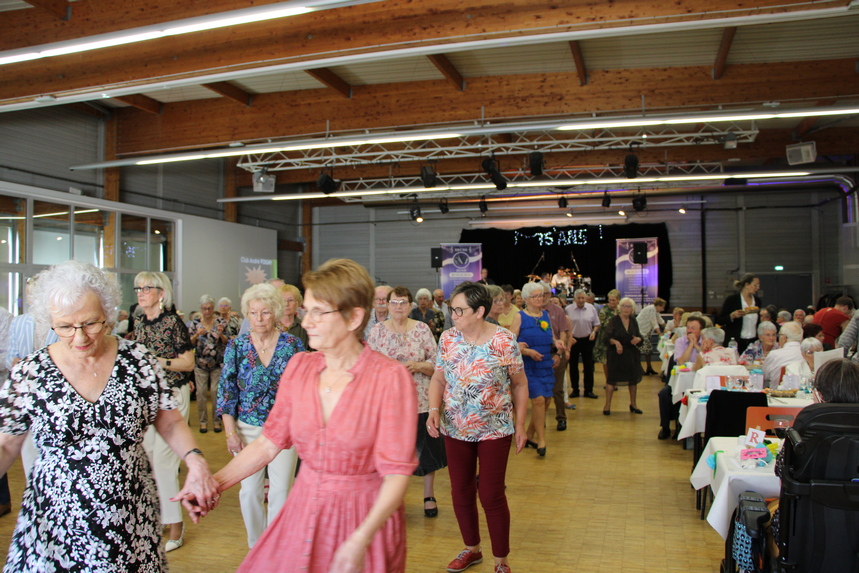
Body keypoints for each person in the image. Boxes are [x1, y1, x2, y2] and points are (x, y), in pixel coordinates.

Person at [200, 259, 418, 573]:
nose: (307, 321)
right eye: (307, 310)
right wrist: (215, 484)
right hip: (304, 510)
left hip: (364, 518)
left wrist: (361, 538)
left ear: (354, 317)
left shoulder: (388, 378)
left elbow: (396, 474)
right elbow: (268, 443)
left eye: (318, 312)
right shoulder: (301, 367)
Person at [0, 260, 217, 571]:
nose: (80, 338)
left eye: (91, 323)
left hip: (128, 519)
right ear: (50, 321)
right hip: (55, 523)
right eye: (65, 327)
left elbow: (169, 420)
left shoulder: (137, 361)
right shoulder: (31, 372)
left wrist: (195, 461)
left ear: (108, 313)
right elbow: (6, 444)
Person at [427, 281, 528, 573]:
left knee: (491, 494)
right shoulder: (448, 338)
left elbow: (520, 384)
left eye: (460, 310)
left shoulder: (504, 341)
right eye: (452, 309)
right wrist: (434, 410)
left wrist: (521, 425)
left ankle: (501, 561)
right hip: (455, 428)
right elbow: (438, 378)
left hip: (495, 429)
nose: (453, 315)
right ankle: (472, 549)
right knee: (461, 491)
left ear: (480, 311)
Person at [216, 283, 304, 548]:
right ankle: (256, 546)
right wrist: (230, 432)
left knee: (281, 490)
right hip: (246, 428)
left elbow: (302, 389)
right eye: (253, 313)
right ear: (247, 315)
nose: (259, 318)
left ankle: (275, 548)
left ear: (275, 312)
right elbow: (226, 391)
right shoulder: (237, 345)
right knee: (250, 490)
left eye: (265, 312)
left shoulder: (293, 345)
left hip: (284, 429)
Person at [366, 285, 446, 519]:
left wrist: (419, 365)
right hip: (388, 403)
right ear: (387, 305)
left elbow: (437, 364)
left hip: (420, 400)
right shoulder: (377, 331)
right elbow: (368, 365)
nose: (398, 307)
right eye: (394, 302)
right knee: (391, 453)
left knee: (426, 449)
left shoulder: (421, 329)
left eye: (403, 303)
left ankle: (429, 495)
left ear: (410, 305)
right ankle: (393, 498)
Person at [132, 271, 197, 551]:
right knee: (146, 459)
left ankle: (176, 526)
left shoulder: (173, 322)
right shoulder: (138, 321)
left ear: (161, 293)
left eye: (146, 288)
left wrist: (158, 361)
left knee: (164, 461)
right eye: (138, 288)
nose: (140, 292)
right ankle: (157, 515)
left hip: (172, 394)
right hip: (147, 397)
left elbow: (188, 363)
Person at [513, 282, 562, 456]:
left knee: (546, 401)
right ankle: (542, 441)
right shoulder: (519, 316)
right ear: (526, 299)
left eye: (541, 295)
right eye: (535, 296)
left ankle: (530, 434)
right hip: (528, 366)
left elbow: (551, 337)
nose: (540, 299)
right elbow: (510, 342)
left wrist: (557, 343)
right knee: (539, 400)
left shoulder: (545, 315)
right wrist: (526, 351)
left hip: (545, 364)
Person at [657, 315, 706, 440]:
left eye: (694, 328)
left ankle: (683, 427)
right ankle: (665, 427)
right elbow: (681, 362)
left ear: (701, 330)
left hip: (700, 381)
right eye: (688, 328)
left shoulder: (706, 341)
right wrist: (690, 345)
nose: (690, 331)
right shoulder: (680, 341)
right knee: (664, 394)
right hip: (681, 379)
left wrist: (697, 346)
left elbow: (706, 359)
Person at [189, 295, 229, 434]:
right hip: (200, 364)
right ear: (201, 309)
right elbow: (189, 343)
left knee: (215, 392)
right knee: (201, 393)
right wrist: (196, 335)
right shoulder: (195, 323)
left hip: (217, 363)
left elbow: (227, 341)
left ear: (213, 309)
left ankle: (217, 421)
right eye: (204, 309)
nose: (207, 311)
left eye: (210, 308)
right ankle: (203, 422)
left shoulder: (220, 322)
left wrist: (221, 334)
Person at [540, 283, 573, 431]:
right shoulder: (533, 312)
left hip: (556, 352)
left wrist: (560, 353)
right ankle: (540, 420)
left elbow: (564, 332)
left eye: (545, 294)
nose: (542, 297)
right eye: (540, 294)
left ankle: (561, 418)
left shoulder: (558, 311)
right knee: (541, 390)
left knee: (557, 388)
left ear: (550, 294)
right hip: (540, 353)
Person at [603, 298, 643, 415]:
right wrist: (615, 342)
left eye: (629, 306)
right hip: (616, 354)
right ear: (620, 307)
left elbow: (639, 336)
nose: (626, 309)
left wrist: (638, 339)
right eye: (624, 306)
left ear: (632, 309)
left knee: (633, 380)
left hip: (631, 354)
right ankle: (607, 405)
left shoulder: (633, 320)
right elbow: (606, 338)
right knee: (611, 380)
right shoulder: (614, 320)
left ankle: (633, 404)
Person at [565, 288, 600, 399]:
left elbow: (597, 324)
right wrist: (569, 338)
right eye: (578, 298)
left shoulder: (591, 308)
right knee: (573, 366)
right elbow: (564, 326)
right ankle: (575, 390)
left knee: (589, 366)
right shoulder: (568, 309)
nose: (581, 300)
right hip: (573, 340)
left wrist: (594, 332)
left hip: (587, 339)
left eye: (582, 298)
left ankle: (589, 390)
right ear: (574, 299)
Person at [716, 273, 762, 355]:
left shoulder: (757, 301)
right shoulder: (732, 300)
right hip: (736, 341)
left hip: (753, 341)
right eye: (755, 285)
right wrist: (732, 316)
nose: (758, 288)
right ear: (747, 285)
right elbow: (720, 320)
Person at [762, 321, 804, 388]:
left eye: (779, 335)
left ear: (784, 337)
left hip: (776, 393)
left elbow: (765, 376)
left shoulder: (774, 355)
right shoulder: (807, 355)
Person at [593, 290, 620, 382]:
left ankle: (615, 380)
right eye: (610, 300)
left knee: (616, 361)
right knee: (606, 361)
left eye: (614, 300)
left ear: (618, 300)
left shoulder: (621, 309)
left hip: (619, 339)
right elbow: (601, 323)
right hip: (606, 339)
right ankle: (608, 381)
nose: (611, 302)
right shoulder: (604, 309)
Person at [636, 297, 666, 375]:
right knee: (646, 350)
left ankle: (649, 368)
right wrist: (660, 333)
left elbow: (660, 320)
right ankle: (641, 368)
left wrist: (668, 327)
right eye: (662, 307)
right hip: (640, 332)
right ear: (658, 305)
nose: (662, 309)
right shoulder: (651, 309)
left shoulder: (655, 311)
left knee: (648, 351)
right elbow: (654, 322)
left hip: (645, 332)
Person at [278, 284, 310, 350]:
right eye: (283, 300)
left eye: (290, 300)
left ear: (297, 303)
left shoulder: (305, 327)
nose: (286, 304)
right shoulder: (270, 325)